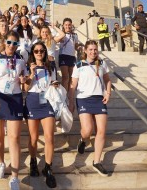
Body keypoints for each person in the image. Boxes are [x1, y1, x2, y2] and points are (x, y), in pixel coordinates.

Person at [0, 31, 26, 190]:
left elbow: (25, 79)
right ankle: (0, 162)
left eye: (15, 44)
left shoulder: (21, 59)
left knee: (14, 138)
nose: (11, 46)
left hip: (14, 97)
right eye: (9, 42)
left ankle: (15, 177)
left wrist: (24, 79)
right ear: (4, 42)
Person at [68, 40, 112, 177]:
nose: (93, 52)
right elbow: (73, 85)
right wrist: (71, 101)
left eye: (95, 49)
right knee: (87, 130)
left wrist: (108, 92)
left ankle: (97, 161)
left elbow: (107, 80)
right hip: (83, 99)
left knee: (102, 131)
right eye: (90, 49)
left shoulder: (102, 63)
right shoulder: (79, 65)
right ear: (85, 51)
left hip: (99, 99)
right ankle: (83, 140)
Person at [24, 42, 58, 188]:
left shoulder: (50, 66)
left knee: (49, 136)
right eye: (36, 51)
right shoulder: (27, 66)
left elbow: (55, 81)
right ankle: (33, 161)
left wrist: (56, 84)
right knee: (33, 137)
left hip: (47, 101)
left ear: (44, 52)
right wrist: (31, 73)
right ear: (33, 52)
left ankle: (48, 168)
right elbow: (25, 88)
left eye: (41, 51)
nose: (39, 53)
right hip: (32, 100)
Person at [59, 18, 81, 92]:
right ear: (63, 25)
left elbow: (76, 46)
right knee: (65, 77)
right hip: (63, 56)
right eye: (66, 25)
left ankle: (69, 94)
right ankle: (64, 95)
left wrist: (79, 48)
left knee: (72, 77)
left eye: (69, 25)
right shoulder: (61, 34)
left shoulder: (75, 35)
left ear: (71, 25)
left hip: (72, 57)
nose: (67, 26)